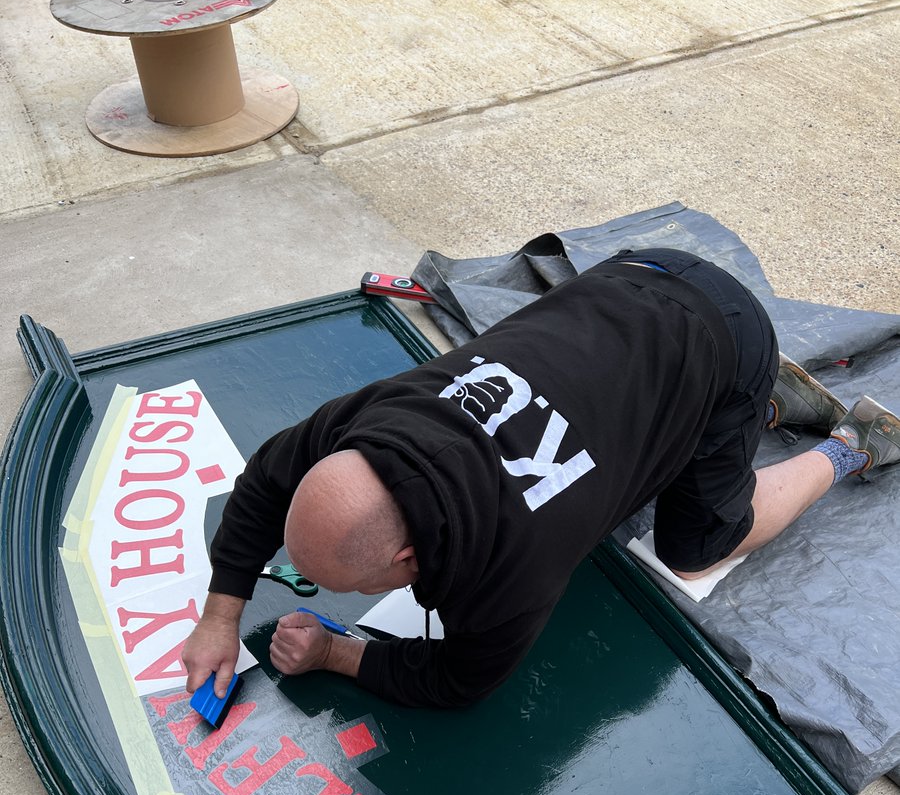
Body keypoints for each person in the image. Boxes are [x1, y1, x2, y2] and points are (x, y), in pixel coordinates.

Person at [183, 248, 900, 709]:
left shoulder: (511, 567)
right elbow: (262, 485)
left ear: (408, 559)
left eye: (362, 585)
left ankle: (848, 444)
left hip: (728, 339)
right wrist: (220, 617)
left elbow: (458, 680)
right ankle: (761, 408)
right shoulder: (366, 419)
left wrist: (338, 653)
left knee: (699, 543)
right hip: (630, 277)